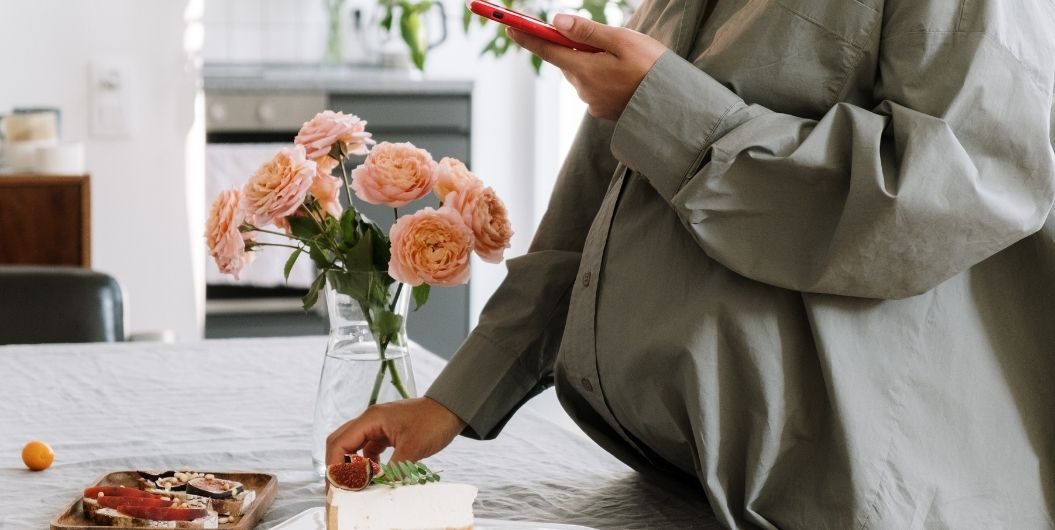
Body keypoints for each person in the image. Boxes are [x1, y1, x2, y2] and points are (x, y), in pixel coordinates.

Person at [328, 0, 1055, 527]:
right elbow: (596, 198)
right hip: (681, 484)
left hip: (853, 501)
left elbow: (953, 199)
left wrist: (672, 113)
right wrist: (453, 399)